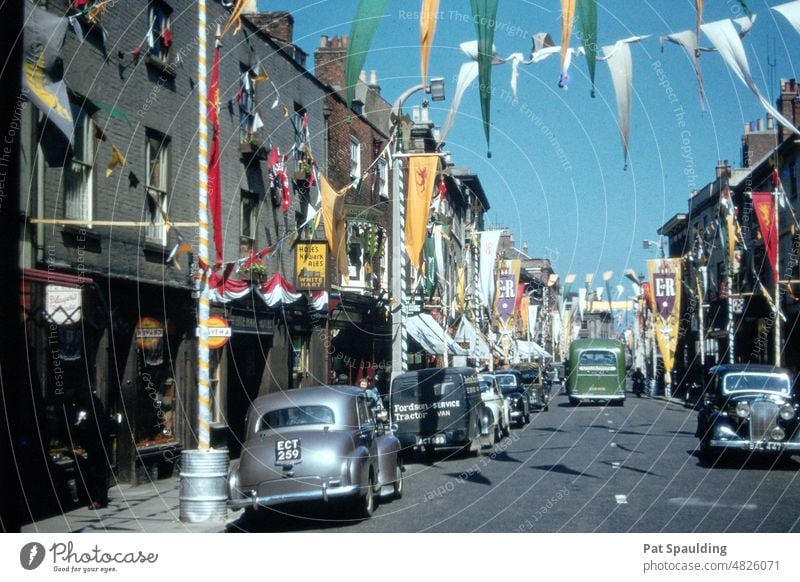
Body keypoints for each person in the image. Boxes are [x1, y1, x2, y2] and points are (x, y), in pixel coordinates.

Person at [74, 388, 111, 509]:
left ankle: (99, 499)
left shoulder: (91, 405)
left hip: (96, 441)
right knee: (94, 470)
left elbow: (89, 421)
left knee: (97, 470)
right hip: (94, 441)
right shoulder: (93, 403)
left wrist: (81, 426)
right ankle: (94, 497)